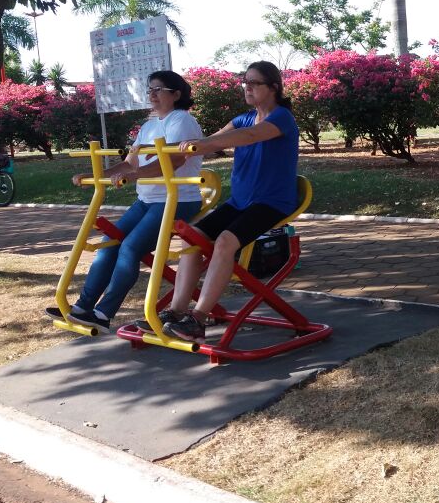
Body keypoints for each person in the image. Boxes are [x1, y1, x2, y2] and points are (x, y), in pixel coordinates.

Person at [46, 70, 203, 331]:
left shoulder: (182, 120)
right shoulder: (149, 126)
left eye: (158, 90)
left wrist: (134, 175)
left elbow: (174, 161)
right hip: (148, 200)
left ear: (176, 94)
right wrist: (98, 175)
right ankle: (83, 308)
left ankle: (103, 314)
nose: (152, 94)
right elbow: (130, 163)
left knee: (129, 247)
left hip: (177, 199)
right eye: (150, 89)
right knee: (109, 243)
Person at [157, 60, 299, 342]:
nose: (247, 87)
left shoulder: (281, 118)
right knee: (192, 237)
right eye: (245, 82)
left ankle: (198, 320)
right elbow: (214, 140)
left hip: (272, 203)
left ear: (273, 87)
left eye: (254, 83)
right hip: (240, 202)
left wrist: (205, 144)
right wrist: (158, 150)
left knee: (224, 242)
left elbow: (248, 136)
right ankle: (176, 312)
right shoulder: (243, 118)